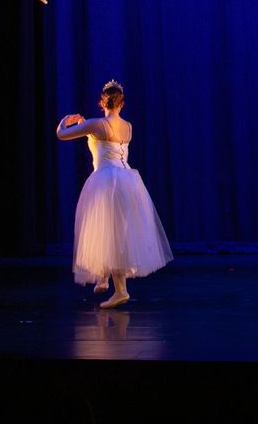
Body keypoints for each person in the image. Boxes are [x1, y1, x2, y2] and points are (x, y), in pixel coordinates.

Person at [56, 80, 173, 309]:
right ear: (123, 103)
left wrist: (67, 121)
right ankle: (103, 277)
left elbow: (61, 134)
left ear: (102, 102)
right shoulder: (128, 126)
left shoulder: (95, 125)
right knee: (113, 231)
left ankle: (120, 290)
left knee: (110, 231)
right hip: (128, 180)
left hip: (106, 181)